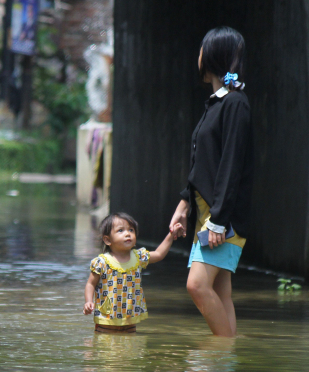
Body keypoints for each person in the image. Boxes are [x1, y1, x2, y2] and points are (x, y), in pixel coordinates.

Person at [169, 27, 253, 338]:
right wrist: (184, 203)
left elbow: (231, 165)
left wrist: (218, 221)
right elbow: (204, 164)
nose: (198, 56)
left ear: (214, 55)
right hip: (208, 213)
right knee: (221, 291)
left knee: (197, 285)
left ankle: (221, 350)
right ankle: (223, 369)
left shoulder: (235, 104)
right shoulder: (217, 103)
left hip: (222, 219)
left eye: (203, 49)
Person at [83, 212, 175, 333]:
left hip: (130, 318)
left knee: (130, 347)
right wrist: (88, 301)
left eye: (131, 230)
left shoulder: (138, 257)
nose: (128, 234)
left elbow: (158, 254)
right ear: (107, 240)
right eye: (120, 230)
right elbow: (90, 284)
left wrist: (171, 235)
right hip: (106, 319)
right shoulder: (101, 262)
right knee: (104, 348)